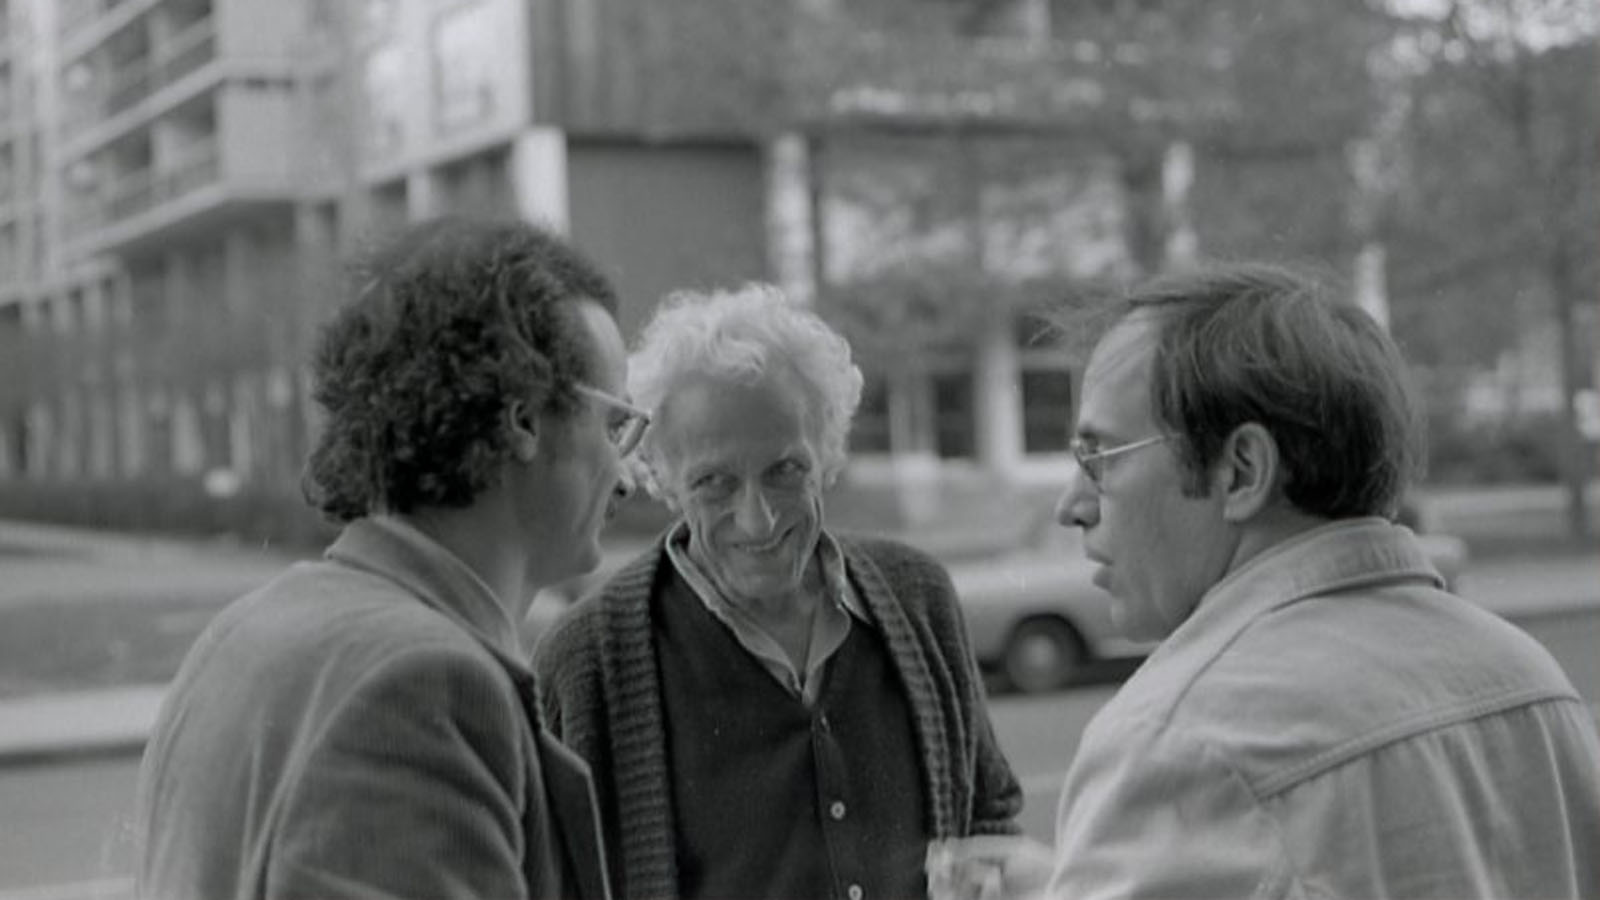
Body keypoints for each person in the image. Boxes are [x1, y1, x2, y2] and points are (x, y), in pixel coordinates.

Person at [934, 264, 1600, 899]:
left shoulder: (1186, 740)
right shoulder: (1531, 682)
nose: (1072, 504)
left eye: (1099, 456)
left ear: (1243, 470)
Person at [135, 217, 643, 899]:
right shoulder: (425, 684)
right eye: (615, 424)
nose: (627, 473)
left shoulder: (246, 629)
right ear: (521, 420)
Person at [534, 283, 1022, 900]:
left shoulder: (917, 596)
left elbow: (990, 814)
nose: (757, 519)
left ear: (827, 453)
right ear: (663, 477)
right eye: (714, 482)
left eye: (785, 470)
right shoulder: (586, 661)